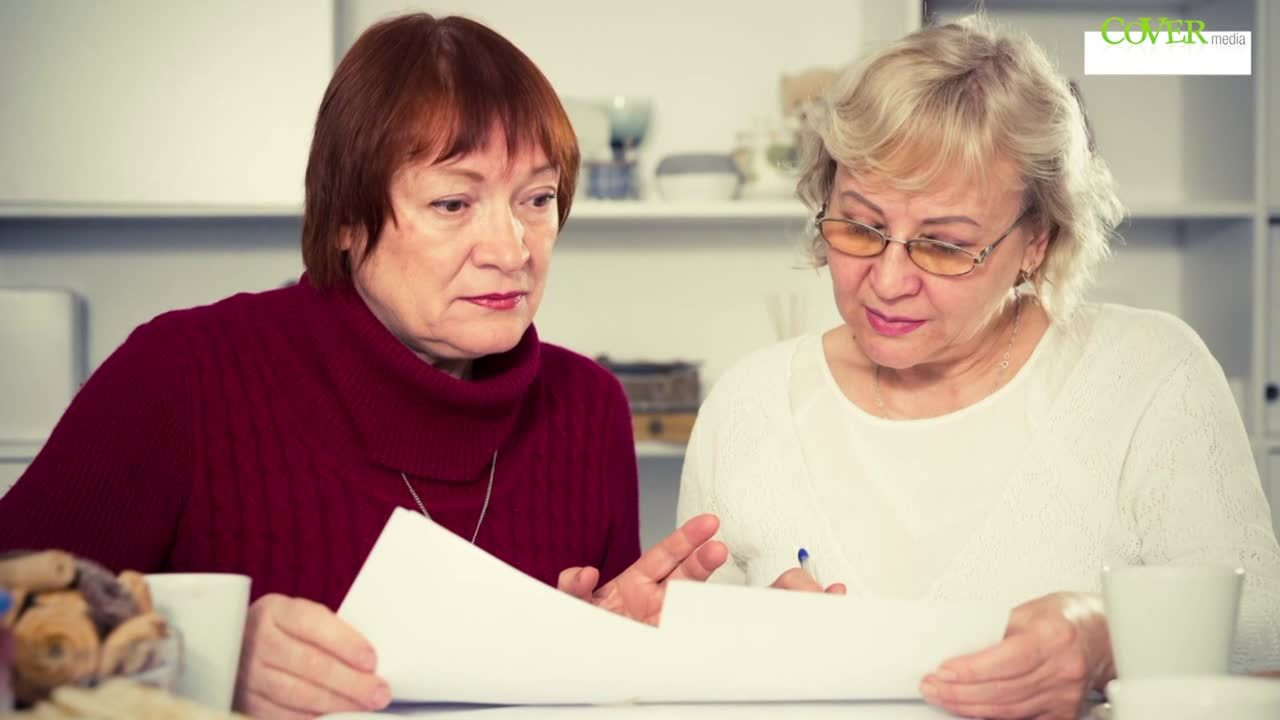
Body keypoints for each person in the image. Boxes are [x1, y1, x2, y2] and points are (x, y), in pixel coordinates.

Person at [0, 13, 726, 719]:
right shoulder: (182, 373)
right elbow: (11, 616)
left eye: (536, 199)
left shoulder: (587, 407)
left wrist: (609, 655)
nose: (514, 249)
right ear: (347, 218)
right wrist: (204, 661)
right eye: (453, 202)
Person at [676, 14, 1280, 720]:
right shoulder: (750, 403)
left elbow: (1265, 647)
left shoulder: (1148, 376)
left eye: (944, 245)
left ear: (1036, 241)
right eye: (860, 227)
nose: (890, 280)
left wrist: (1105, 638)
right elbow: (685, 676)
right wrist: (747, 649)